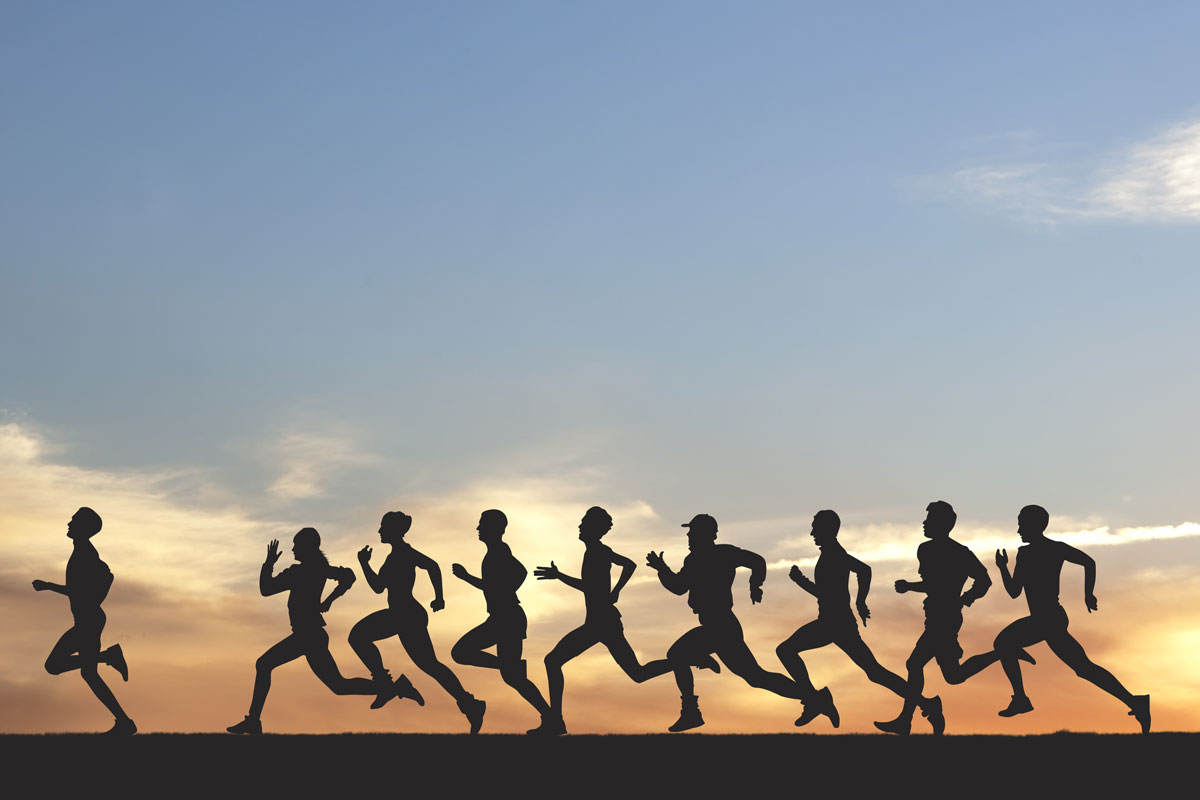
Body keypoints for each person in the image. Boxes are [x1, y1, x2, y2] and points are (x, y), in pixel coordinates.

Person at [227, 528, 414, 734]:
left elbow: (266, 589)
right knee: (339, 686)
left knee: (264, 664)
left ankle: (253, 720)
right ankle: (395, 688)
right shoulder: (319, 569)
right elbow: (348, 576)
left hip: (307, 635)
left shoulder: (298, 572)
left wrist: (269, 562)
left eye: (297, 545)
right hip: (312, 636)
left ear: (308, 547)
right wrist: (330, 600)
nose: (293, 549)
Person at [985, 505, 1150, 732]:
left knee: (1004, 642)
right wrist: (1003, 568)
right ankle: (1135, 702)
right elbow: (1016, 591)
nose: (1018, 530)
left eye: (1021, 524)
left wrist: (1088, 593)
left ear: (1035, 525)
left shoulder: (1044, 551)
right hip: (1051, 619)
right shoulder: (1039, 551)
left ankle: (1021, 699)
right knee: (1083, 668)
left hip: (1047, 619)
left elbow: (1087, 563)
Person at [778, 509, 941, 731]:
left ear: (827, 529)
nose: (812, 532)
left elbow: (856, 576)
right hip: (837, 623)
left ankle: (816, 700)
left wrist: (858, 601)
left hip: (833, 624)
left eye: (815, 527)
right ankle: (927, 703)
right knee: (875, 672)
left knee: (786, 651)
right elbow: (848, 580)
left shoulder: (834, 554)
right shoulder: (831, 553)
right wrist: (857, 601)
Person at [643, 513, 807, 732]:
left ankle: (691, 709)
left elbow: (757, 561)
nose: (689, 536)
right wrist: (662, 569)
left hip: (721, 625)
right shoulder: (693, 560)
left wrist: (755, 585)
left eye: (692, 532)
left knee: (679, 656)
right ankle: (813, 697)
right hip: (717, 626)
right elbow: (679, 587)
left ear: (705, 535)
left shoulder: (724, 553)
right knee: (756, 677)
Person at [350, 510, 486, 732]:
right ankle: (469, 704)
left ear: (394, 531)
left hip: (406, 615)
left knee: (361, 637)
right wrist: (364, 564)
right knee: (428, 664)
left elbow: (432, 565)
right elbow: (378, 587)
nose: (379, 531)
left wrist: (439, 597)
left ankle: (388, 686)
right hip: (400, 615)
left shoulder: (404, 552)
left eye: (383, 528)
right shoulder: (393, 556)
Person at [533, 506, 656, 734]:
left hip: (602, 623)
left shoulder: (598, 551)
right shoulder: (594, 551)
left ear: (593, 528)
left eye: (583, 523)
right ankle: (556, 721)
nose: (579, 527)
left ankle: (556, 721)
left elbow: (628, 565)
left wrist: (616, 590)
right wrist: (560, 576)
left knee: (552, 661)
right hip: (599, 623)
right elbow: (593, 584)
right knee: (638, 674)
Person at [875, 501, 995, 735]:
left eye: (929, 520)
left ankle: (906, 720)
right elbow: (937, 584)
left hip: (947, 617)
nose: (924, 523)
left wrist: (965, 599)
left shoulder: (959, 553)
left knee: (915, 664)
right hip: (935, 615)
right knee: (953, 675)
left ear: (943, 524)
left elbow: (979, 581)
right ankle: (920, 713)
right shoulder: (925, 549)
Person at [450, 509, 555, 733]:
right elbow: (515, 574)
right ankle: (551, 718)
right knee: (513, 677)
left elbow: (515, 575)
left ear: (495, 528)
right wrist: (502, 588)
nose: (478, 529)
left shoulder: (498, 550)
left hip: (507, 618)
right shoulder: (496, 551)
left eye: (482, 524)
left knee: (461, 652)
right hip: (504, 617)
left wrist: (468, 577)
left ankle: (550, 717)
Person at [33, 507, 135, 735]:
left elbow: (79, 591)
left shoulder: (84, 553)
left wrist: (48, 586)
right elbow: (86, 587)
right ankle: (123, 719)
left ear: (84, 528)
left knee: (59, 666)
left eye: (74, 520)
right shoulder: (82, 551)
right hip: (87, 620)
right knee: (79, 671)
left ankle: (124, 721)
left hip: (88, 621)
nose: (68, 523)